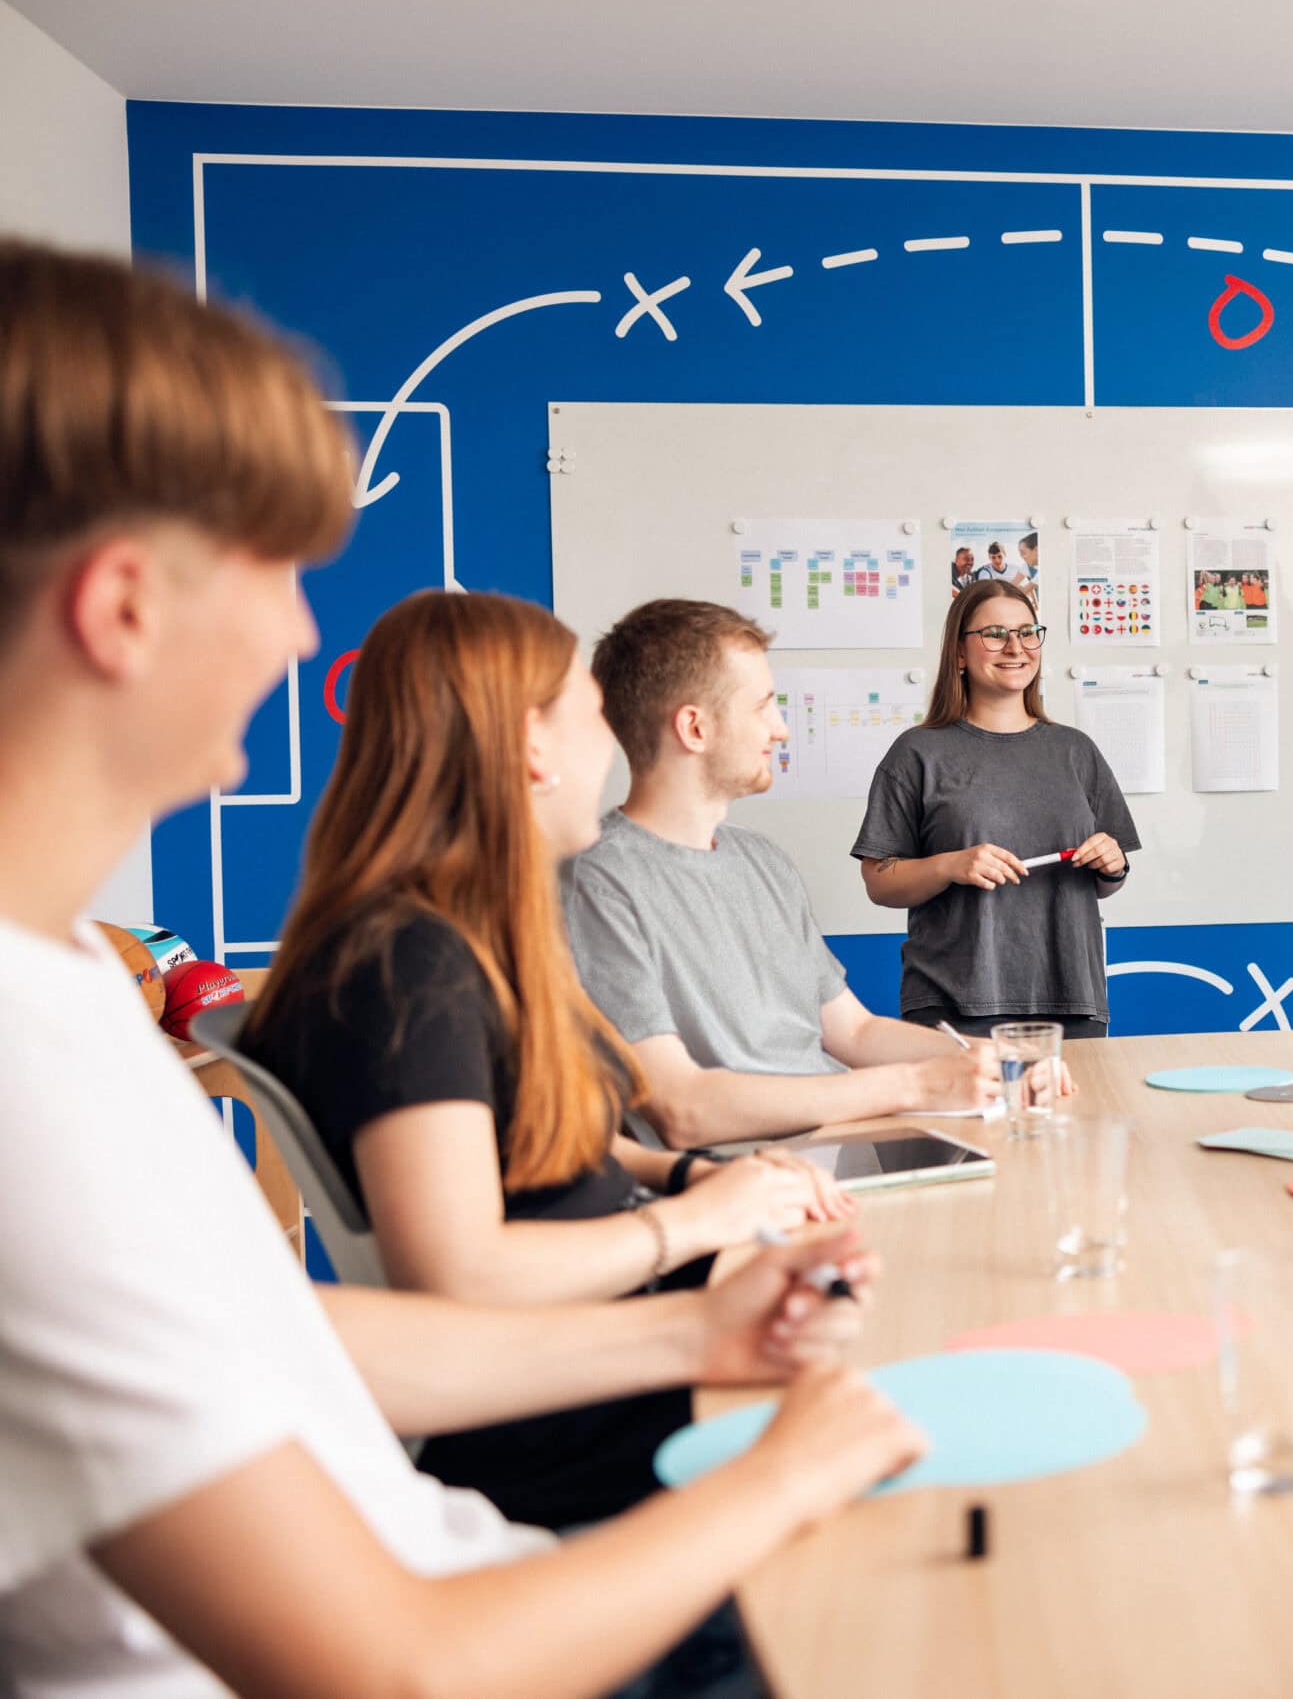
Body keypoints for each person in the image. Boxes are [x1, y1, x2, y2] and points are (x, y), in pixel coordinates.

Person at [0, 236, 924, 1699]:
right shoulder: (32, 1082)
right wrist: (782, 1474)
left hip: (490, 1561)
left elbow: (277, 1343)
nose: (305, 630)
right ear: (121, 608)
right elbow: (407, 1668)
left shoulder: (62, 997)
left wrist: (696, 1326)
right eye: (273, 569)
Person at [246, 589, 851, 1528]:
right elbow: (461, 1275)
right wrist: (692, 1226)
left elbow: (554, 1142)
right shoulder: (408, 966)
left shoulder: (469, 938)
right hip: (577, 1420)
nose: (613, 747)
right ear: (533, 748)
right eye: (596, 717)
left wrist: (696, 1178)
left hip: (627, 1337)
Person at [562, 599, 999, 1149]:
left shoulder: (763, 861)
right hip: (748, 1178)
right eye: (764, 707)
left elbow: (855, 1032)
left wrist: (1004, 1060)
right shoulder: (596, 882)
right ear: (694, 728)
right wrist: (913, 1086)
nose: (781, 730)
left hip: (843, 1150)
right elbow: (680, 1108)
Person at [855, 581, 1137, 1038]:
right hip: (955, 1003)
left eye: (1027, 632)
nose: (1015, 647)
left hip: (1072, 1000)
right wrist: (950, 865)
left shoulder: (1076, 750)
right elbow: (878, 882)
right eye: (995, 634)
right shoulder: (918, 752)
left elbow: (1104, 886)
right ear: (959, 653)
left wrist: (1112, 865)